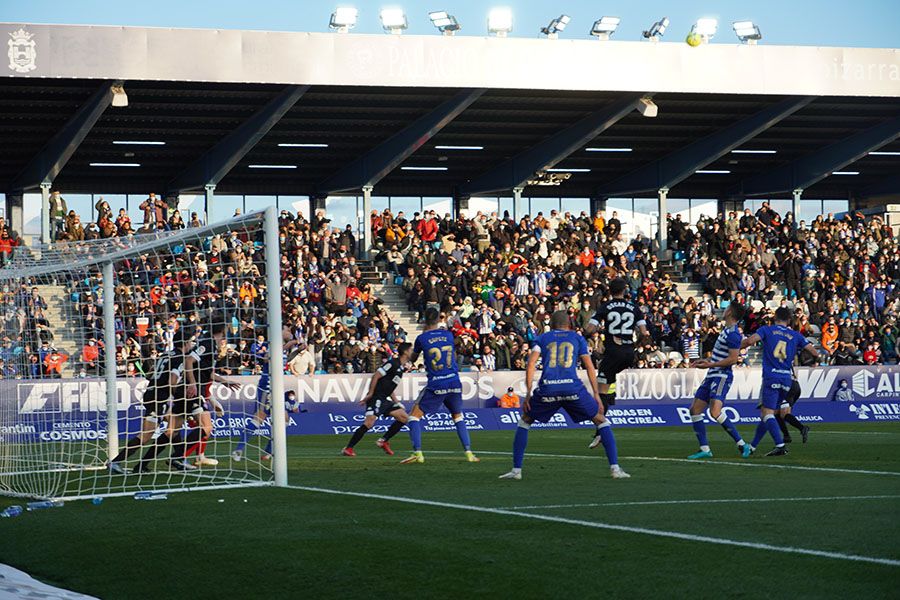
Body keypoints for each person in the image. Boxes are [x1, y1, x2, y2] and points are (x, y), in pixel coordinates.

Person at [499, 311, 629, 480]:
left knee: (525, 421)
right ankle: (615, 469)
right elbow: (589, 366)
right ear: (569, 324)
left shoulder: (543, 338)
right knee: (601, 420)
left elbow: (530, 364)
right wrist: (596, 394)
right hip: (572, 388)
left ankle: (516, 471)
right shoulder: (577, 338)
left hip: (548, 388)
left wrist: (529, 393)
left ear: (551, 324)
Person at [400, 307, 478, 465]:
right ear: (439, 320)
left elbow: (413, 359)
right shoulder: (448, 335)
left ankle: (418, 453)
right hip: (454, 381)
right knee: (458, 416)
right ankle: (469, 452)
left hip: (437, 383)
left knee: (414, 417)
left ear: (423, 320)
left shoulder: (422, 338)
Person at [740, 307, 818, 457]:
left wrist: (735, 348)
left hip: (771, 377)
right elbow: (814, 351)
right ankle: (753, 446)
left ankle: (780, 445)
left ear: (775, 318)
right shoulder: (795, 335)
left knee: (767, 413)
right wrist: (814, 361)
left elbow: (750, 341)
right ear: (789, 320)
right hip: (787, 380)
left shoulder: (767, 330)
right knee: (768, 414)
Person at [108, 332, 188, 475]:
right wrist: (176, 396)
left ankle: (179, 458)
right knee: (145, 436)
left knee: (174, 425)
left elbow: (150, 373)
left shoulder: (165, 354)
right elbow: (171, 381)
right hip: (159, 397)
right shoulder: (180, 358)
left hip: (152, 391)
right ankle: (115, 462)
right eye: (191, 342)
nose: (192, 345)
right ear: (186, 343)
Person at [585, 277, 649, 447]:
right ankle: (610, 394)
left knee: (600, 393)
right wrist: (634, 344)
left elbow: (590, 329)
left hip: (613, 352)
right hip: (629, 354)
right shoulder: (635, 308)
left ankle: (600, 432)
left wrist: (591, 332)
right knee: (608, 380)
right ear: (625, 291)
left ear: (610, 291)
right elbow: (644, 332)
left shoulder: (605, 307)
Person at [170, 320, 240, 469]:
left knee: (172, 430)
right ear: (221, 330)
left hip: (192, 390)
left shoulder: (210, 344)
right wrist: (193, 383)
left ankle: (152, 462)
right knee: (206, 427)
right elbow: (189, 361)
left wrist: (223, 381)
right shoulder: (207, 343)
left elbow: (207, 372)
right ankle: (179, 457)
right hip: (193, 391)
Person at [686, 303, 748, 459]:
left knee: (714, 412)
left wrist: (710, 364)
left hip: (722, 376)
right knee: (694, 410)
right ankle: (705, 449)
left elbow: (733, 359)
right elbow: (721, 356)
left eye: (726, 309)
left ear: (729, 312)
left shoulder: (733, 334)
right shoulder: (726, 331)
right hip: (712, 374)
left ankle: (742, 444)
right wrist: (705, 361)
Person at [342, 342, 413, 457]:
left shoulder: (400, 368)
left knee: (404, 418)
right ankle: (348, 448)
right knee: (369, 423)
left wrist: (397, 402)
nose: (412, 351)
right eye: (411, 349)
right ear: (405, 352)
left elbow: (389, 387)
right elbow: (376, 375)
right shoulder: (392, 363)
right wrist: (370, 393)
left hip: (385, 399)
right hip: (377, 397)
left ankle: (383, 440)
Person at [232, 345, 300, 463]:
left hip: (277, 387)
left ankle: (269, 452)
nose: (289, 330)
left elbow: (286, 360)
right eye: (287, 328)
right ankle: (239, 449)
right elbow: (268, 358)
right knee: (259, 418)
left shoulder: (282, 348)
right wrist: (290, 343)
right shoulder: (273, 344)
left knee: (284, 420)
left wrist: (298, 350)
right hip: (267, 387)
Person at [774, 375, 810, 444]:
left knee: (783, 414)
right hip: (795, 385)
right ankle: (786, 436)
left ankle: (802, 428)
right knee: (777, 412)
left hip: (786, 386)